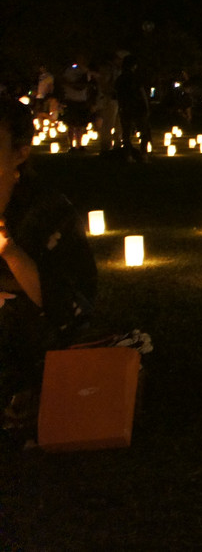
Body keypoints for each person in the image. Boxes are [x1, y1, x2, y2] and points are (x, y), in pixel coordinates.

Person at [0, 96, 99, 428]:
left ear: (20, 152)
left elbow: (66, 304)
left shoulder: (47, 212)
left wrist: (10, 251)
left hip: (38, 323)